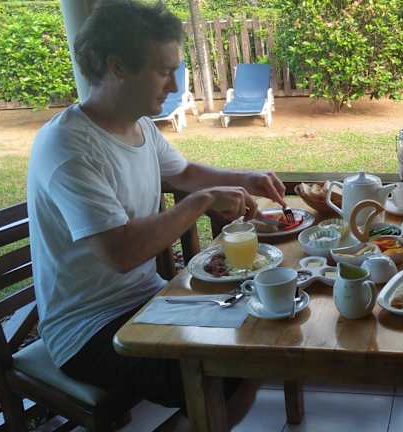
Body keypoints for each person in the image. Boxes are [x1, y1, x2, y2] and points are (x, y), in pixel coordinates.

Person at [26, 0, 285, 427]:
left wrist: (247, 178)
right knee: (228, 367)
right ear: (117, 67)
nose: (174, 84)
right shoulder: (68, 147)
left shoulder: (139, 125)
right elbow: (121, 253)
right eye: (164, 71)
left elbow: (183, 173)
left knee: (255, 328)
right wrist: (201, 202)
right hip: (86, 330)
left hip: (149, 298)